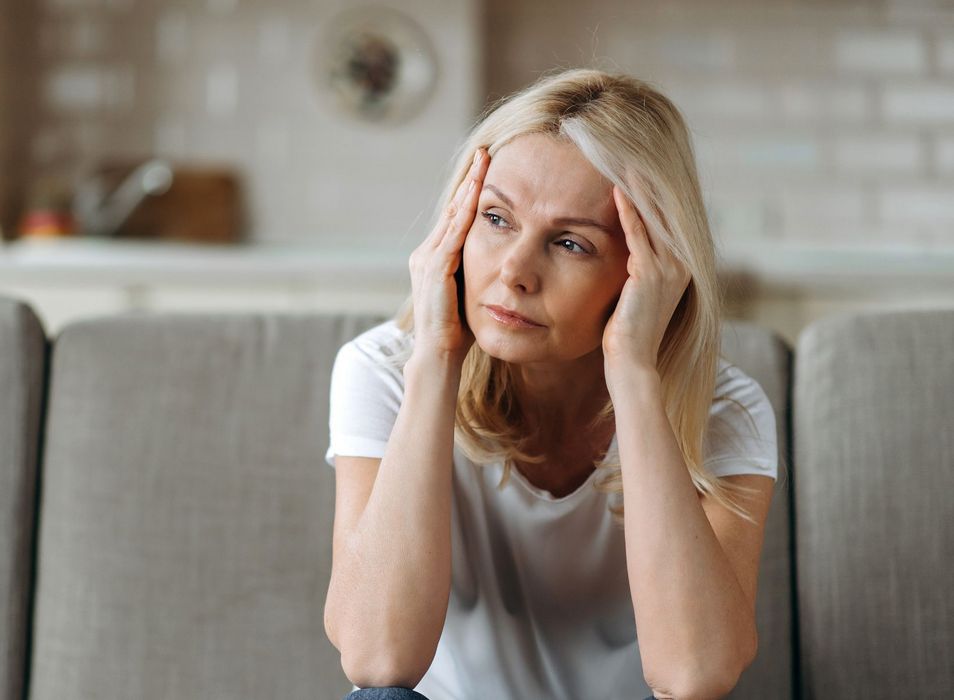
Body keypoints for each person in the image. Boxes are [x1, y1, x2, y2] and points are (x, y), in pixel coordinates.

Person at [322, 67, 779, 700]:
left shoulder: (726, 409)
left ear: (649, 268)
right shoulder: (383, 370)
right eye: (496, 218)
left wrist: (635, 376)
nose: (514, 272)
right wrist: (433, 357)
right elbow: (376, 661)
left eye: (570, 243)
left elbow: (696, 675)